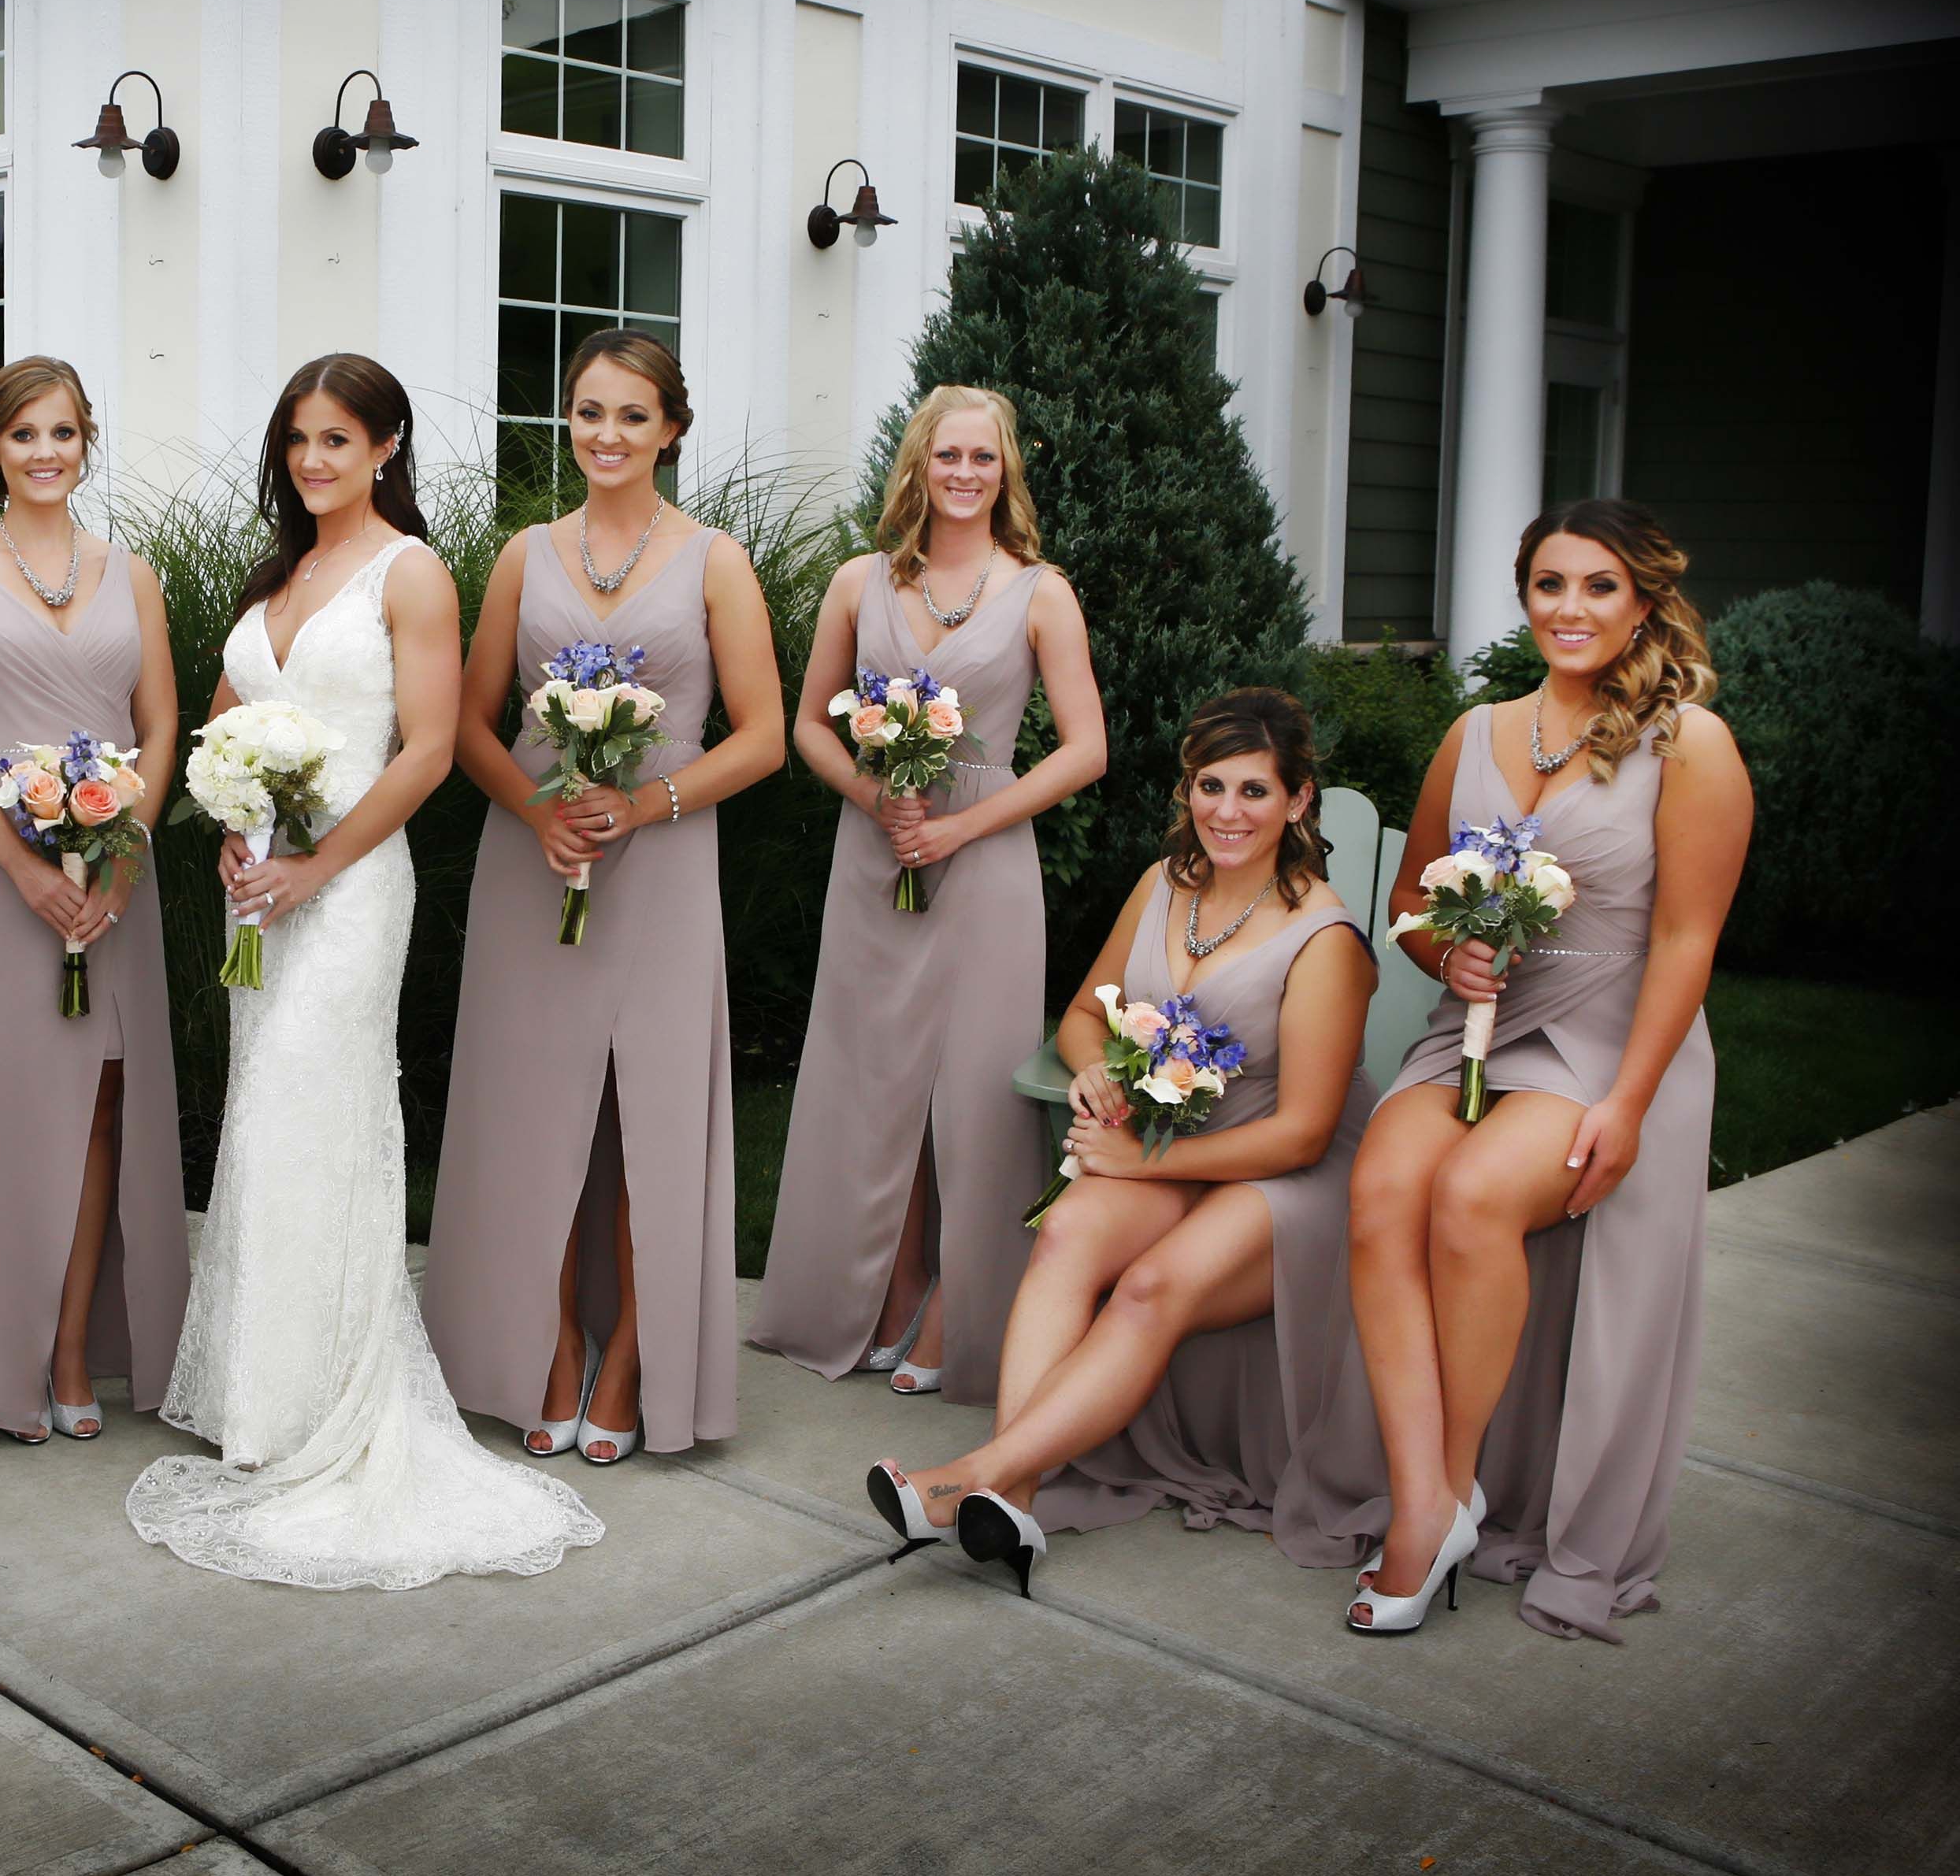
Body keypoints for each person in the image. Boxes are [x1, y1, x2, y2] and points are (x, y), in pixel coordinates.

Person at [126, 355, 603, 1588]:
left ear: (387, 446)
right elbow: (227, 710)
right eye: (297, 440)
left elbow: (433, 749)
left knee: (314, 1113)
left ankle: (328, 1409)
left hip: (348, 888)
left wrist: (315, 864)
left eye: (338, 439)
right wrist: (235, 822)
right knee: (265, 1124)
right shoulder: (278, 576)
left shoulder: (413, 572)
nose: (314, 461)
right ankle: (263, 1403)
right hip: (263, 887)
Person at [1343, 499, 1750, 1639]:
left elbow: (1686, 941)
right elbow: (1413, 898)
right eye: (1550, 586)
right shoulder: (1475, 731)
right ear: (1524, 599)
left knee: (1472, 1197)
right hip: (1478, 1022)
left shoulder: (1691, 745)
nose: (1571, 609)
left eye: (1600, 587)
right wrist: (1448, 949)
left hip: (1609, 1034)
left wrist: (1628, 1102)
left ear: (1646, 603)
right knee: (1380, 1193)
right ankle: (1434, 1491)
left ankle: (1433, 1506)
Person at [866, 691, 1377, 1597]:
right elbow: (1080, 1016)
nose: (1226, 811)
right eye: (1208, 786)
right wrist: (1093, 1074)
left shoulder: (1323, 938)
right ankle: (1015, 1495)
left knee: (1148, 1283)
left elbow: (1299, 1133)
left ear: (1299, 802)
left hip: (1288, 1173)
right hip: (1172, 1141)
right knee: (1066, 1232)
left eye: (1254, 791)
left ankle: (967, 1477)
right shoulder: (1162, 884)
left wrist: (1145, 1158)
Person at [422, 330, 786, 1464]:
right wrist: (539, 813)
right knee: (535, 1108)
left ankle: (632, 1351)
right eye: (588, 412)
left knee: (648, 1117)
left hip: (664, 863)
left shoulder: (716, 561)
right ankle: (549, 1347)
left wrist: (649, 802)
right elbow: (470, 724)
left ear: (670, 428)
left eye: (632, 415)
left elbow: (767, 737)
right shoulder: (522, 556)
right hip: (531, 863)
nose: (607, 435)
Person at [749, 384, 1104, 1401]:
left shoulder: (1042, 591)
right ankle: (884, 1292)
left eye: (982, 459)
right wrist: (877, 796)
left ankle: (962, 1302)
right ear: (917, 463)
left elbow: (1085, 750)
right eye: (946, 454)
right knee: (875, 1079)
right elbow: (810, 721)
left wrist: (955, 824)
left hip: (986, 859)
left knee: (975, 1089)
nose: (963, 473)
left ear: (1005, 473)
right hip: (875, 856)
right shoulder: (859, 581)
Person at [0, 357, 191, 1442]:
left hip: (117, 876)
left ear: (85, 441)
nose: (44, 452)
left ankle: (72, 1350)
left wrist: (124, 851)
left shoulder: (133, 574)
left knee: (102, 1104)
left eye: (63, 432)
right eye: (24, 434)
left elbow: (158, 724)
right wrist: (24, 867)